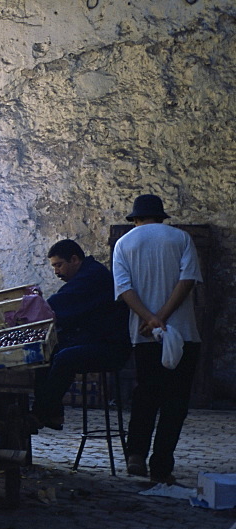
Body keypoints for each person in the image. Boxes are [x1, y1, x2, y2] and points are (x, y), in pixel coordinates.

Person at [112, 194, 202, 485]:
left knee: (145, 395)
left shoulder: (124, 243)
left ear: (135, 219)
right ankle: (161, 464)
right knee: (175, 401)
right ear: (161, 217)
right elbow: (187, 281)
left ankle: (136, 454)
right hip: (184, 334)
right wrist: (163, 315)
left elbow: (124, 289)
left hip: (144, 336)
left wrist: (149, 319)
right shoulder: (181, 238)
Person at [31, 239, 130, 430]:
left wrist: (31, 308)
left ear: (74, 259)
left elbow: (59, 304)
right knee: (44, 352)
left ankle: (40, 413)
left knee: (64, 358)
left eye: (59, 265)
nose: (56, 271)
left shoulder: (91, 276)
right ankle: (53, 414)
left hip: (111, 346)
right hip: (93, 339)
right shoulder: (85, 275)